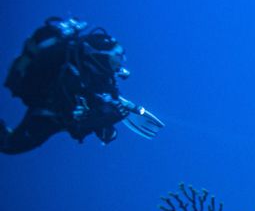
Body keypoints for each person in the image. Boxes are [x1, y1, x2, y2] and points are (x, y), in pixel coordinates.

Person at [1, 17, 163, 154]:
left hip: (72, 102)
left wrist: (108, 123)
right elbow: (70, 117)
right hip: (49, 104)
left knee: (13, 145)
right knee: (12, 145)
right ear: (100, 58)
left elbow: (104, 103)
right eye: (115, 60)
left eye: (120, 59)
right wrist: (98, 122)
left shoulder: (102, 75)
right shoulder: (72, 74)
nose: (119, 66)